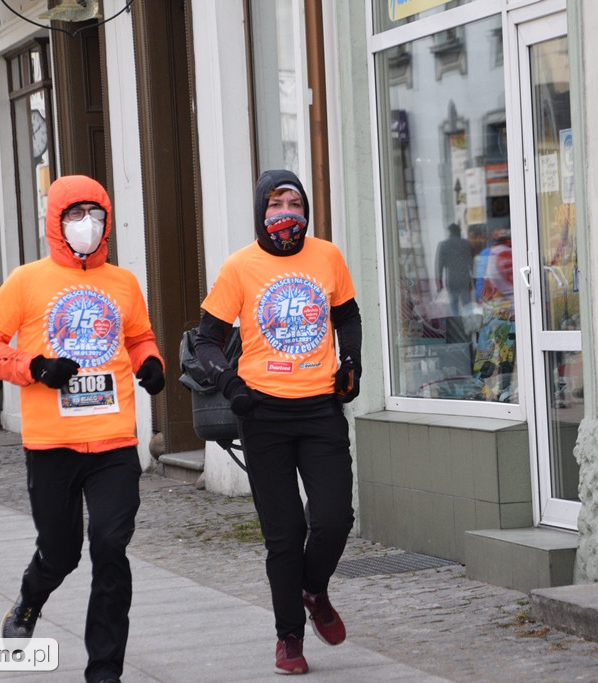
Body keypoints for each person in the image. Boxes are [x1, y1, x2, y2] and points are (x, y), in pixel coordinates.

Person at [0, 174, 165, 683]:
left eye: (95, 215)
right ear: (56, 221)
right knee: (61, 552)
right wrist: (34, 366)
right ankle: (30, 598)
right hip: (51, 444)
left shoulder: (122, 282)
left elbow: (140, 336)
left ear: (108, 221)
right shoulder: (27, 281)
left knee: (110, 547)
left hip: (114, 442)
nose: (87, 225)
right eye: (75, 215)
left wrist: (150, 362)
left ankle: (104, 670)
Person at [192, 169, 361, 675]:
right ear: (261, 213)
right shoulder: (239, 267)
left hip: (320, 408)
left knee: (334, 518)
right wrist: (231, 386)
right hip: (262, 413)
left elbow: (347, 315)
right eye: (275, 204)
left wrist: (350, 362)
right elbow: (206, 341)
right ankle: (289, 637)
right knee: (283, 533)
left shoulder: (327, 256)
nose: (286, 212)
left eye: (294, 202)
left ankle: (312, 588)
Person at [434, 222, 474, 316]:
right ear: (459, 231)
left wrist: (439, 284)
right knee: (467, 305)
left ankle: (457, 326)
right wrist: (474, 281)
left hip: (452, 281)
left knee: (454, 307)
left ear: (450, 232)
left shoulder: (443, 245)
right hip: (465, 280)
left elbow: (439, 266)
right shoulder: (465, 244)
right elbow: (471, 263)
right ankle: (470, 327)